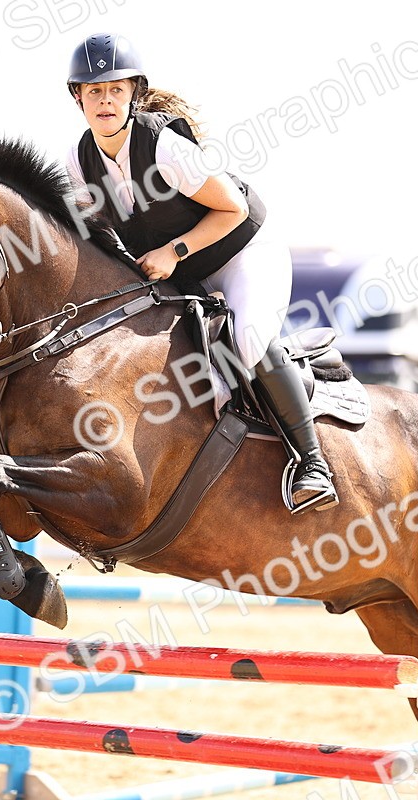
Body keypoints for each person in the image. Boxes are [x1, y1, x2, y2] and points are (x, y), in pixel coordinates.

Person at [64, 33, 337, 513]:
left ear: (134, 94)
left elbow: (230, 210)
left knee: (248, 340)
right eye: (94, 91)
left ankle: (312, 462)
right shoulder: (79, 159)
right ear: (78, 98)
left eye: (115, 90)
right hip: (184, 273)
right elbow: (97, 234)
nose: (105, 100)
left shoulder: (164, 144)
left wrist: (173, 250)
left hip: (242, 251)